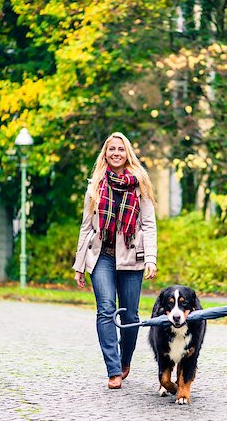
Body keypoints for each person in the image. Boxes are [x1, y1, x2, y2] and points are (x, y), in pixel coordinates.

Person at [73, 132, 157, 390]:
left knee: (130, 315)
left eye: (120, 149)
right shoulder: (95, 184)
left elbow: (149, 224)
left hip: (132, 256)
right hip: (101, 256)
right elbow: (86, 227)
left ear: (127, 152)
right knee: (106, 310)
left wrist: (151, 258)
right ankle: (113, 370)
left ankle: (124, 360)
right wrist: (79, 265)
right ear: (105, 153)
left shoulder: (140, 183)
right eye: (112, 149)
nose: (116, 153)